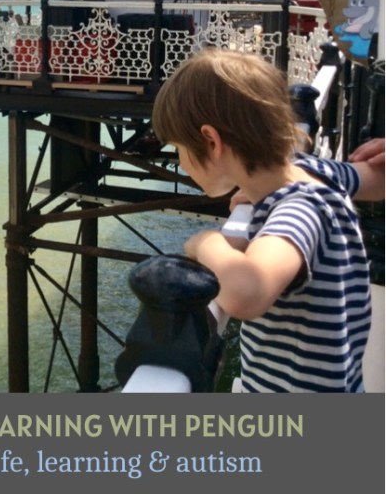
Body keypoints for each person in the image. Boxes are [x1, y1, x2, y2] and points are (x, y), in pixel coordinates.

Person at [152, 48, 384, 393]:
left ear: (210, 141)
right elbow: (378, 181)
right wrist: (260, 195)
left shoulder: (298, 210)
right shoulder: (314, 173)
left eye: (178, 149)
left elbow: (247, 292)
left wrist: (206, 243)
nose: (181, 163)